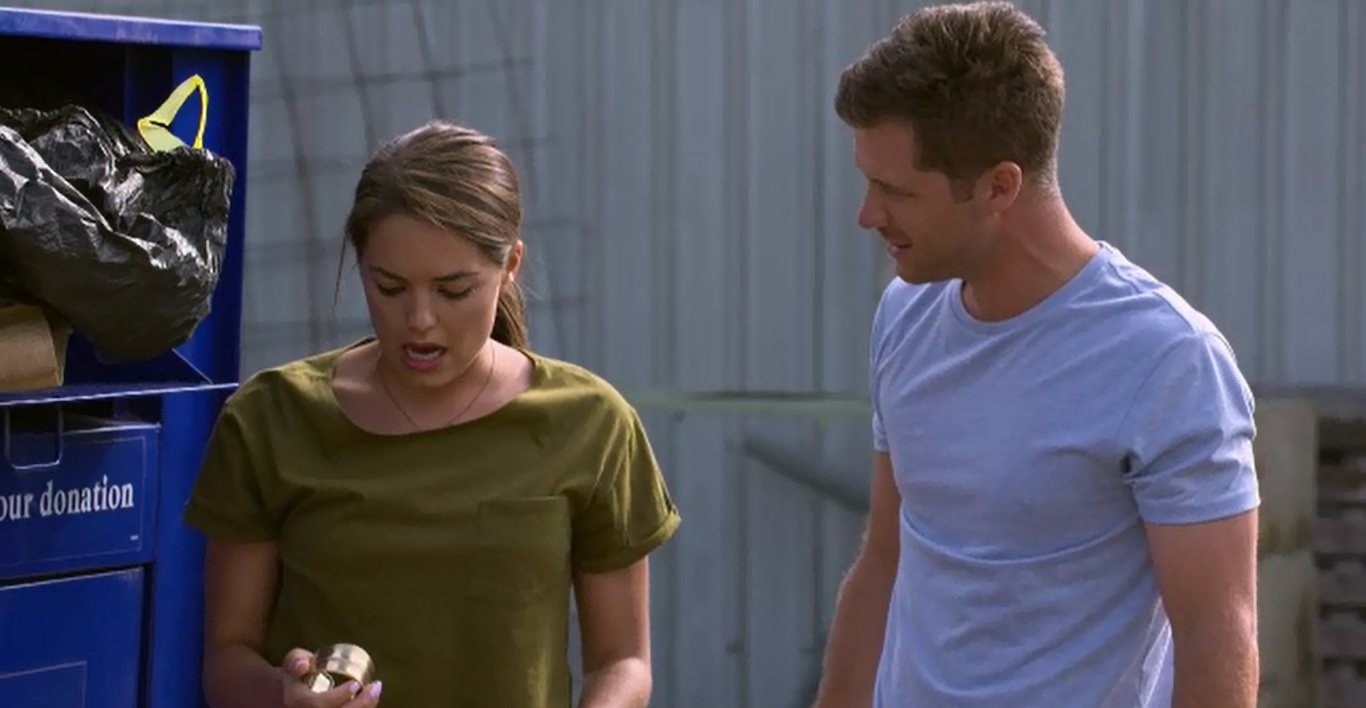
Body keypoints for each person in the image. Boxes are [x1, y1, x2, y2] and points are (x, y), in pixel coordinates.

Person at [812, 3, 1259, 707]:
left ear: (1000, 186)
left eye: (896, 191)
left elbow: (1215, 639)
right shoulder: (905, 315)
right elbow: (883, 560)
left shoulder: (1168, 359)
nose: (868, 215)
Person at [183, 120, 681, 708]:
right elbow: (226, 658)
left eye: (453, 290)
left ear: (511, 265)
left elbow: (623, 662)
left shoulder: (592, 425)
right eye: (390, 287)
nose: (419, 320)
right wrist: (280, 694)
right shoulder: (270, 418)